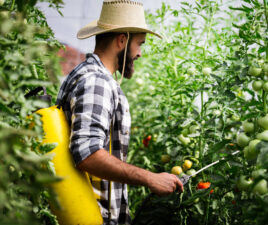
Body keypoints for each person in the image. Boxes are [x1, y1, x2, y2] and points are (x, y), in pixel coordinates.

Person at [56, 1, 183, 224]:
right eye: (139, 44)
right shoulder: (97, 82)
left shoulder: (83, 74)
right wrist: (149, 178)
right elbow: (87, 152)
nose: (140, 53)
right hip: (94, 217)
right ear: (122, 40)